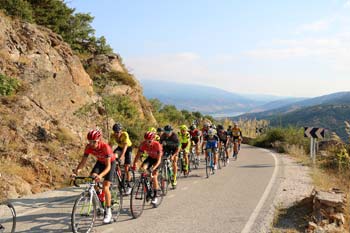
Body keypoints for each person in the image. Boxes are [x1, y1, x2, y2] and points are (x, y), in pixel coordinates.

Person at [72, 129, 116, 224]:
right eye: (90, 141)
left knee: (105, 187)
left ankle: (108, 213)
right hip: (100, 162)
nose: (92, 144)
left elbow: (108, 167)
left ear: (99, 139)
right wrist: (76, 172)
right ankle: (99, 195)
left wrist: (100, 176)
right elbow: (83, 162)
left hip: (110, 164)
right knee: (92, 177)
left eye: (94, 141)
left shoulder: (105, 147)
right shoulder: (88, 147)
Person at [132, 131, 163, 204]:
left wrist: (153, 168)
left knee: (154, 176)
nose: (147, 142)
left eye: (149, 141)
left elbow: (159, 160)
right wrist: (134, 163)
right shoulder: (143, 144)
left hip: (157, 160)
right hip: (150, 158)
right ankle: (148, 190)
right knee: (143, 169)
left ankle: (155, 196)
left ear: (153, 139)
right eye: (145, 140)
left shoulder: (157, 145)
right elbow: (138, 155)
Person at [109, 123, 133, 195]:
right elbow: (110, 145)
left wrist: (122, 156)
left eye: (118, 132)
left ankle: (129, 184)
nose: (117, 134)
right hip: (120, 148)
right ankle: (118, 173)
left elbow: (125, 147)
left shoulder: (125, 134)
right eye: (115, 132)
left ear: (121, 131)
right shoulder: (112, 135)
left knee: (126, 167)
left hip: (127, 148)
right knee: (113, 157)